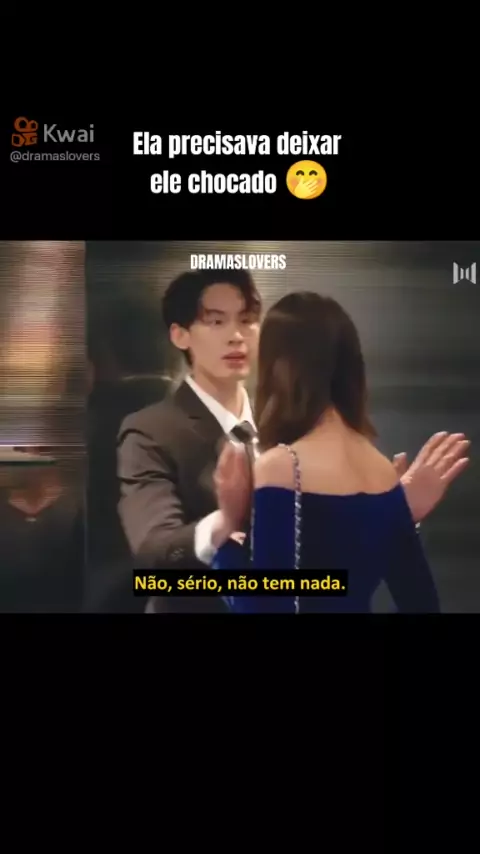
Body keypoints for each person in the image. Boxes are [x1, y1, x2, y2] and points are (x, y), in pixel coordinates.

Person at [117, 271, 470, 614]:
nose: (236, 336)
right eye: (216, 321)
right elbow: (153, 562)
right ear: (180, 335)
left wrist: (227, 547)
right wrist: (387, 518)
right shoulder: (150, 431)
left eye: (247, 320)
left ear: (278, 361)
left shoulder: (286, 458)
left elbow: (277, 599)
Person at [212, 292, 470, 612]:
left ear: (279, 368)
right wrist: (394, 517)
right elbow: (422, 603)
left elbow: (261, 608)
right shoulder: (381, 470)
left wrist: (226, 537)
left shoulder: (281, 465)